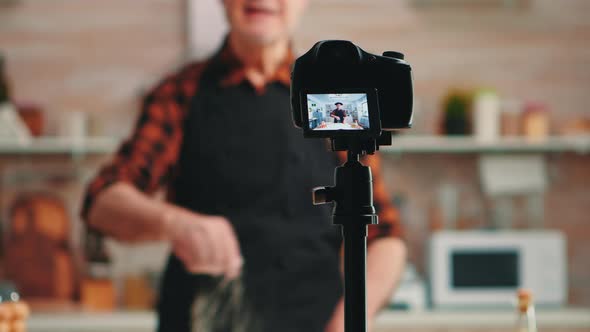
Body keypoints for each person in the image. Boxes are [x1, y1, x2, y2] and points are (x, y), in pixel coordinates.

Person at [81, 0, 406, 331]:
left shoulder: (332, 101)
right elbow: (103, 199)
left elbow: (385, 237)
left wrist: (349, 321)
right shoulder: (181, 93)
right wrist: (173, 223)